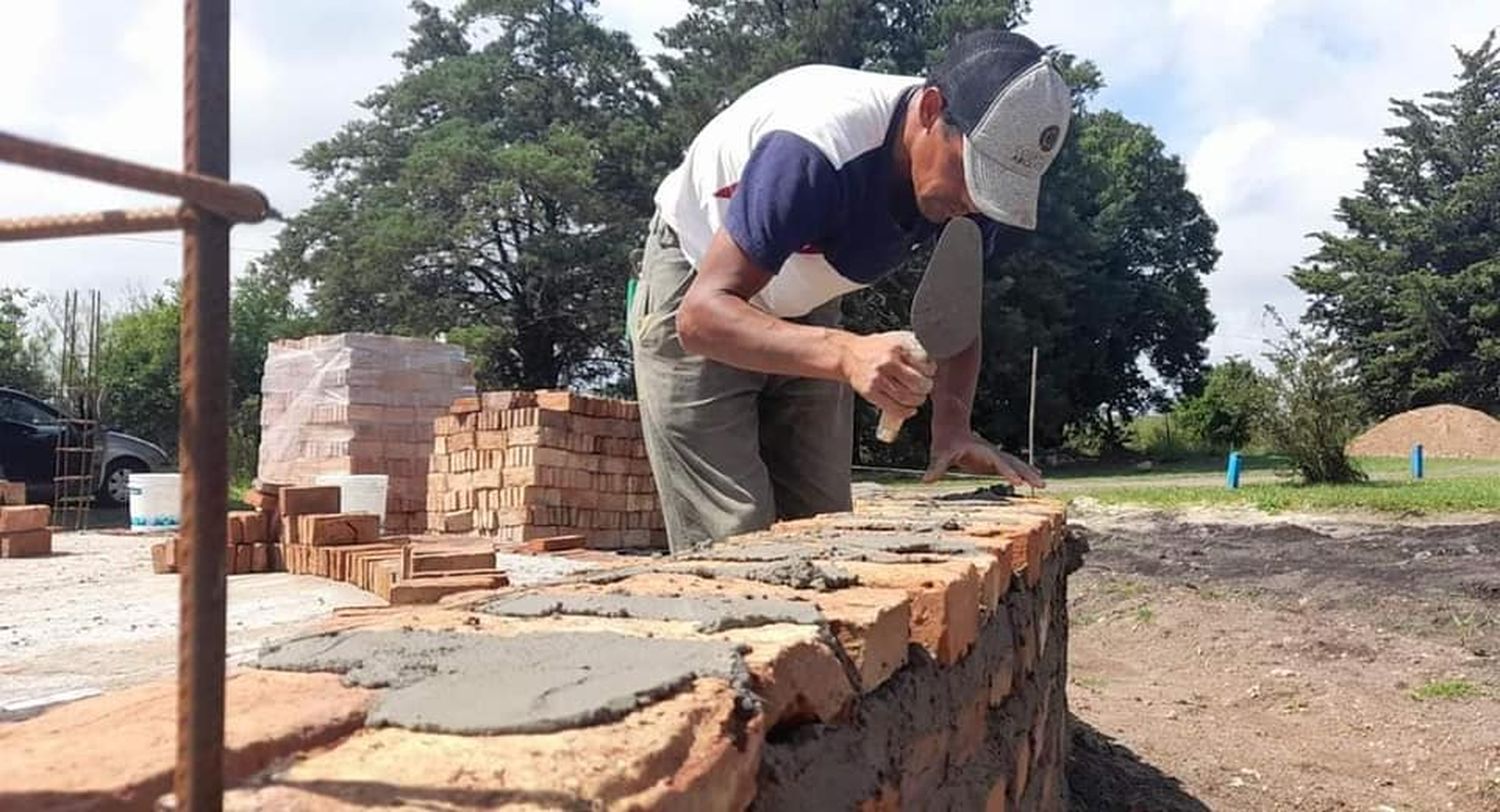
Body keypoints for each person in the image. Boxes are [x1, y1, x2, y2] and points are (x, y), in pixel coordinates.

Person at [630, 29, 1072, 552]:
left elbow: (957, 314)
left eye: (993, 187)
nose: (975, 199)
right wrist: (844, 353)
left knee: (823, 530)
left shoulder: (974, 196)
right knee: (736, 539)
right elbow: (701, 318)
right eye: (970, 172)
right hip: (701, 277)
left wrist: (953, 426)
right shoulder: (816, 146)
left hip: (805, 299)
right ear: (932, 109)